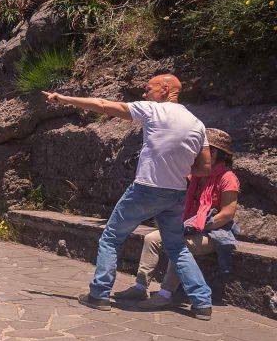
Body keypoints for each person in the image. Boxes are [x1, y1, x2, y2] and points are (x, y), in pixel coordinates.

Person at [43, 74, 215, 320]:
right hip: (176, 195)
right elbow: (205, 168)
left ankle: (100, 294)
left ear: (165, 89)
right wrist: (182, 170)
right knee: (177, 247)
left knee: (111, 238)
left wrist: (64, 99)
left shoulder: (153, 110)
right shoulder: (198, 124)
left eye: (148, 89)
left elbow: (102, 105)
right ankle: (202, 302)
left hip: (146, 189)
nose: (144, 94)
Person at [115, 128, 240, 310]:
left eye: (200, 149)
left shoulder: (228, 178)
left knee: (179, 245)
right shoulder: (197, 174)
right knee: (151, 239)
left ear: (213, 152)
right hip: (188, 227)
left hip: (214, 233)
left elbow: (227, 214)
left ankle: (166, 293)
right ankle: (141, 286)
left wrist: (199, 225)